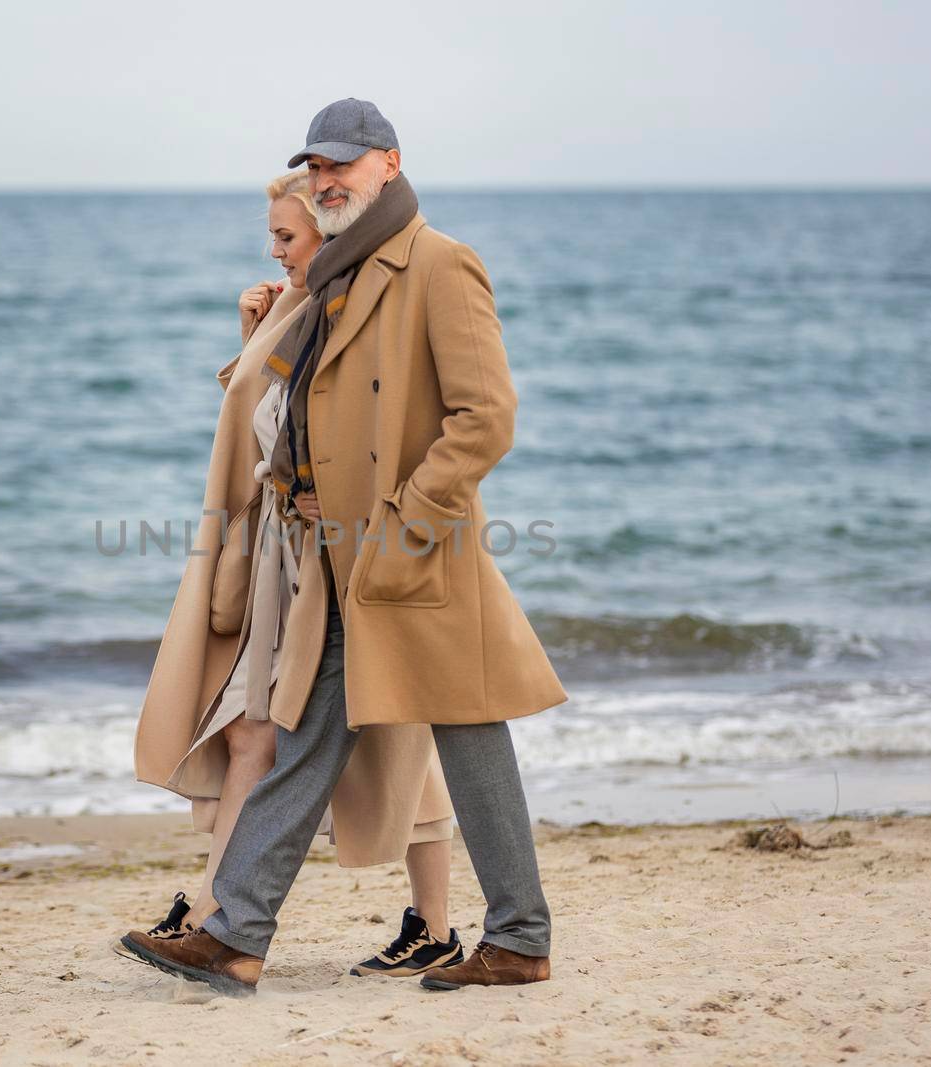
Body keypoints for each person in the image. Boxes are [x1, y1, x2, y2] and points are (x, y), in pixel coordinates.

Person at [121, 98, 570, 998]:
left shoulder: (439, 264)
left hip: (409, 554)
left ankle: (517, 937)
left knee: (470, 729)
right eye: (316, 169)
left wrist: (406, 522)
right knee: (306, 735)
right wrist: (262, 337)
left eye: (344, 167)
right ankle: (238, 934)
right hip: (334, 556)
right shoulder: (336, 272)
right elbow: (298, 411)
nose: (327, 182)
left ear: (390, 166)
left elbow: (485, 421)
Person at [124, 168, 464, 980]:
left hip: (345, 554)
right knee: (258, 729)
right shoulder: (298, 307)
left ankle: (232, 915)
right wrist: (253, 337)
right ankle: (216, 910)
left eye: (287, 236)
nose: (273, 250)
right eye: (274, 235)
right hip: (285, 557)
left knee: (392, 734)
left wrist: (357, 507)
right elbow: (268, 419)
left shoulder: (355, 307)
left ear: (328, 234)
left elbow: (394, 422)